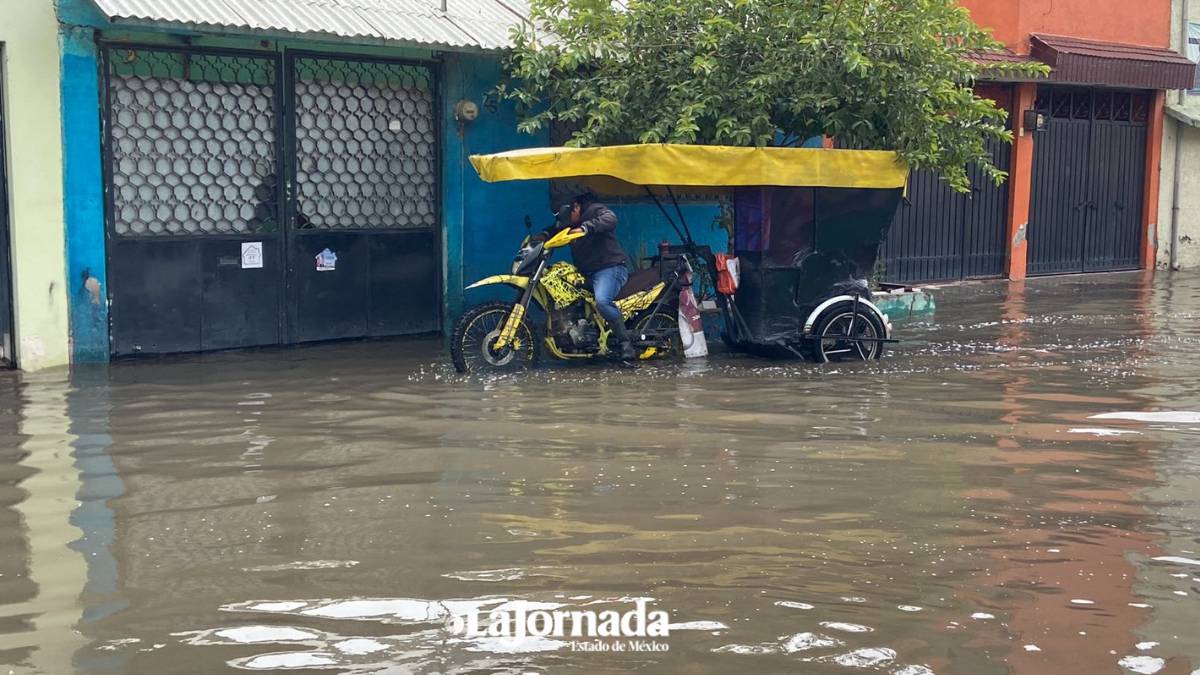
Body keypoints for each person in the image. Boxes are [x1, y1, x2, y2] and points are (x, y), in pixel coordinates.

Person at [543, 193, 635, 360]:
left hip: (610, 269)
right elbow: (555, 230)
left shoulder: (594, 210)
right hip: (588, 272)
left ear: (576, 206)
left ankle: (625, 344)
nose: (568, 223)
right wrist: (541, 236)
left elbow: (611, 219)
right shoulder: (570, 222)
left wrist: (586, 228)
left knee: (602, 300)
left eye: (569, 216)